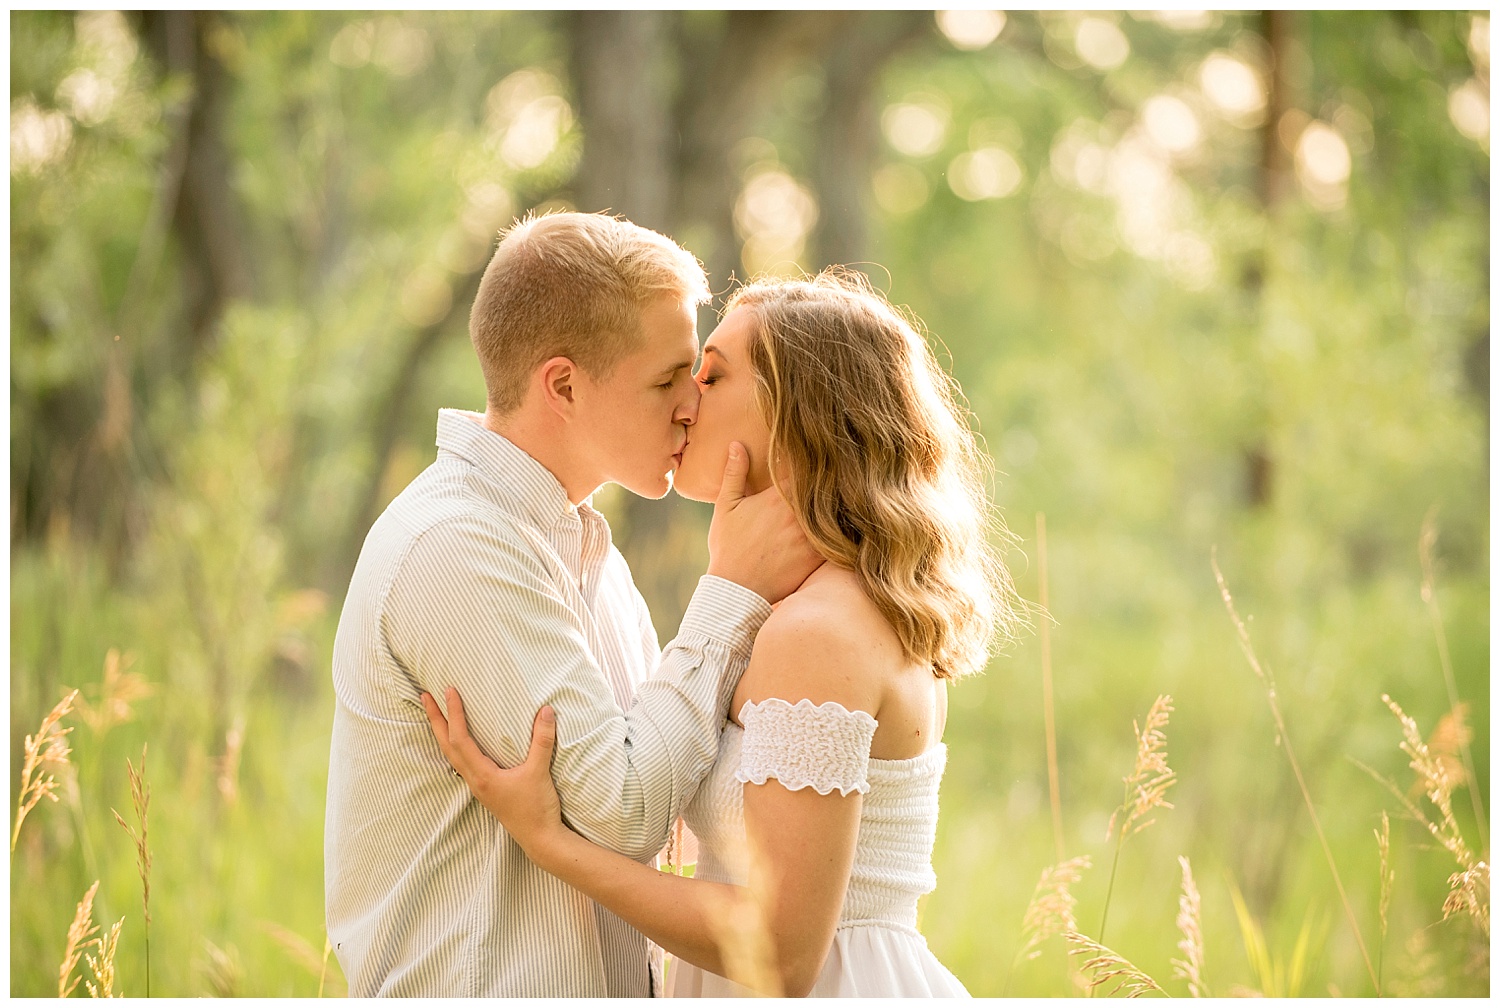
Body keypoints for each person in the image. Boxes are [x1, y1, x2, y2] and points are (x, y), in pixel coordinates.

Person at [424, 269, 1022, 997]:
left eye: (710, 375)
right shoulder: (804, 606)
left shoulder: (820, 633)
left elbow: (779, 953)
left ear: (800, 410)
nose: (684, 403)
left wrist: (550, 842)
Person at [324, 212, 822, 997]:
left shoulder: (589, 555)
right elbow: (625, 811)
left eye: (696, 379)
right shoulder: (456, 548)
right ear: (562, 385)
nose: (690, 407)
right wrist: (731, 594)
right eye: (667, 380)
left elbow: (666, 784)